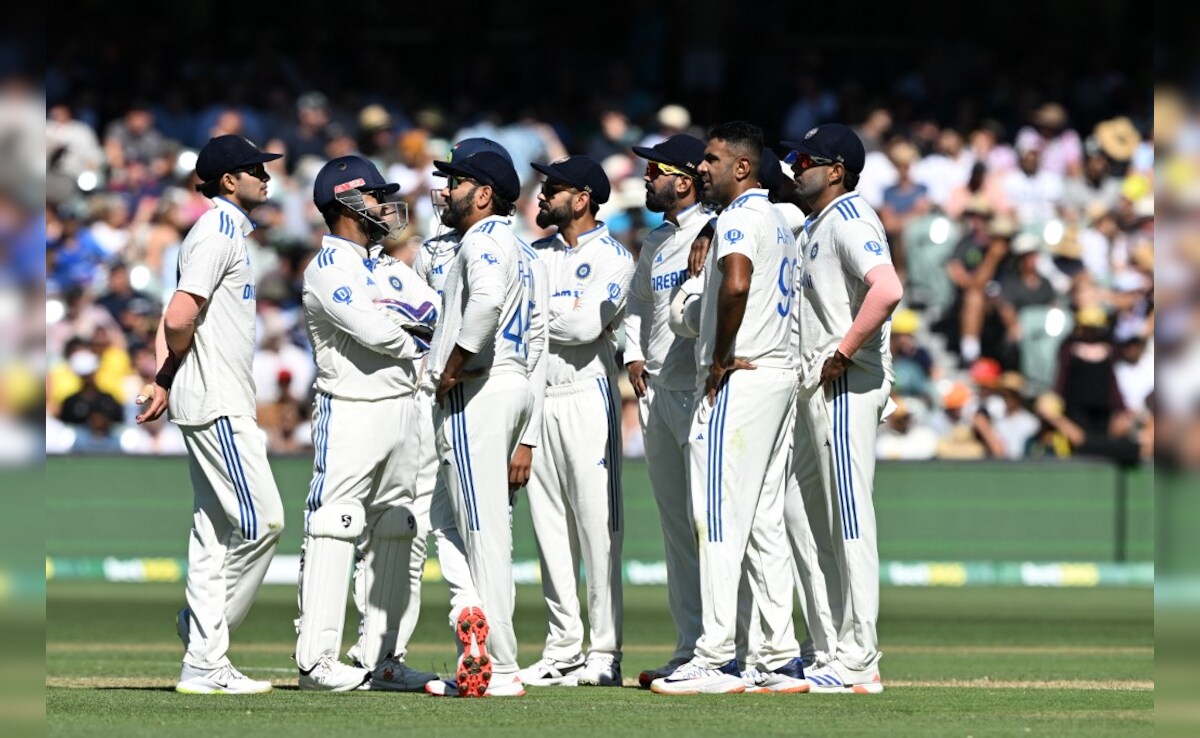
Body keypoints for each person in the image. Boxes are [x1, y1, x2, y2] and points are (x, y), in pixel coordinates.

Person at [651, 121, 803, 695]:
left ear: (743, 167)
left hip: (740, 379)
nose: (700, 169)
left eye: (711, 160)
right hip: (778, 375)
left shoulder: (739, 218)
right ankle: (780, 657)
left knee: (715, 515)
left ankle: (715, 658)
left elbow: (735, 284)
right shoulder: (777, 220)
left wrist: (718, 358)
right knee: (763, 521)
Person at [134, 134, 286, 695]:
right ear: (229, 180)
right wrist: (172, 372)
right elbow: (178, 316)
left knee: (213, 537)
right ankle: (204, 644)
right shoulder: (218, 230)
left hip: (213, 396)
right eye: (256, 171)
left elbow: (178, 310)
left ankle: (203, 656)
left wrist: (164, 377)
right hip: (218, 400)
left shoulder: (222, 231)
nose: (266, 179)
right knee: (264, 522)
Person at [292, 155, 438, 692]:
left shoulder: (392, 268)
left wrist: (415, 329)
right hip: (351, 405)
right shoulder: (328, 268)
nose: (385, 206)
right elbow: (375, 331)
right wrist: (416, 335)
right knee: (335, 524)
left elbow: (435, 315)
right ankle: (317, 661)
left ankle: (381, 659)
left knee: (399, 526)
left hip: (406, 405)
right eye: (375, 196)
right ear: (346, 203)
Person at [783, 123, 904, 693]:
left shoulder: (851, 219)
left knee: (850, 517)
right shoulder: (816, 223)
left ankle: (861, 659)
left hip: (845, 384)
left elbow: (887, 289)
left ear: (836, 169)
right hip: (818, 382)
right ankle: (831, 647)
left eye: (806, 159)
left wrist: (842, 350)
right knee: (806, 515)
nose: (795, 165)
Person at [421, 137, 539, 698]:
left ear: (485, 194)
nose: (445, 190)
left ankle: (503, 666)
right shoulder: (513, 244)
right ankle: (472, 614)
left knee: (483, 530)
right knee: (448, 519)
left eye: (456, 181)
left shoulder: (483, 240)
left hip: (480, 389)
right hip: (506, 383)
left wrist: (454, 363)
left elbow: (487, 301)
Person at [519, 155, 634, 689]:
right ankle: (562, 648)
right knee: (548, 527)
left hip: (588, 395)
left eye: (553, 189)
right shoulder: (533, 254)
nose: (542, 197)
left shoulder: (615, 258)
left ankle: (604, 651)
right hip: (537, 397)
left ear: (583, 198)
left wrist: (537, 319)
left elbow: (589, 325)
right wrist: (548, 323)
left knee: (598, 528)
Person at [622, 134, 709, 688]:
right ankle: (690, 647)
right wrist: (632, 353)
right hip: (656, 397)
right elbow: (637, 306)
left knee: (713, 526)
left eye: (654, 171)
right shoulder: (656, 240)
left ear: (683, 179)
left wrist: (718, 230)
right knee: (677, 531)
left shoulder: (717, 228)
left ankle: (737, 647)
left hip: (700, 392)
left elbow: (784, 214)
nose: (646, 179)